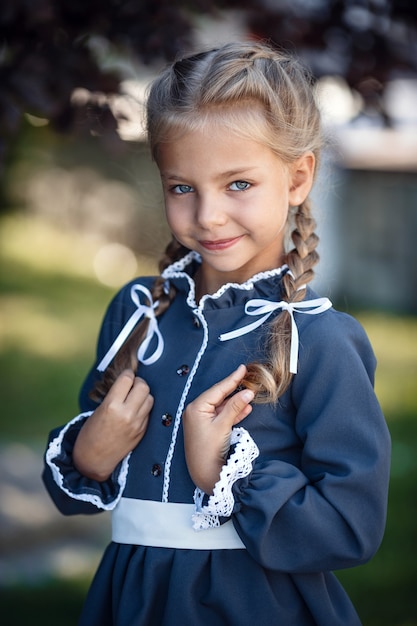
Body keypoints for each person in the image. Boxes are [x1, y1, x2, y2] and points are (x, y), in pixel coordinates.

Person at [42, 40, 391, 626]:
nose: (206, 216)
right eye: (182, 187)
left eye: (238, 185)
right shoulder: (136, 312)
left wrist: (229, 471)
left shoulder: (319, 339)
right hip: (130, 598)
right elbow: (78, 480)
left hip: (257, 604)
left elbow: (350, 529)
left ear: (298, 177)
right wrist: (90, 455)